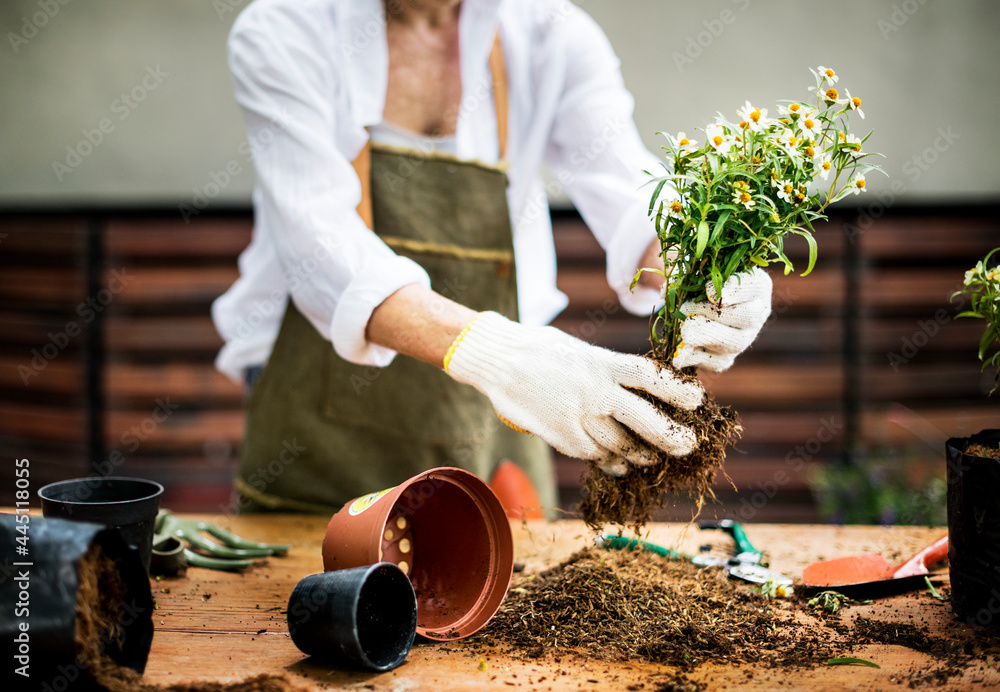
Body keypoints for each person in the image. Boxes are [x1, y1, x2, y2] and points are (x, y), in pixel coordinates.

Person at [211, 0, 772, 515]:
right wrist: (505, 357)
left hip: (500, 406)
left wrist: (702, 260)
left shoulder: (549, 34)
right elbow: (323, 249)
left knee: (501, 592)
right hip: (321, 407)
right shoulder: (286, 29)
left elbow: (629, 187)